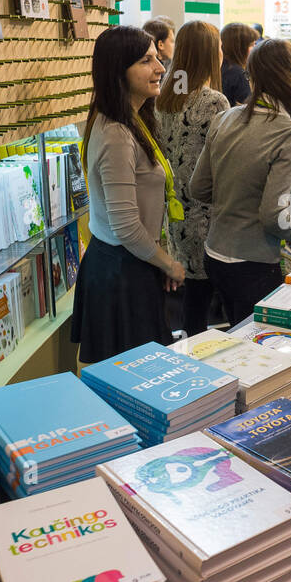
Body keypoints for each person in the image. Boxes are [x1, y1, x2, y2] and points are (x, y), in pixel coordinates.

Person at [72, 26, 185, 365]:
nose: (160, 68)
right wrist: (170, 264)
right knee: (131, 382)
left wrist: (158, 258)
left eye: (157, 58)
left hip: (135, 263)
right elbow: (125, 225)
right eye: (146, 61)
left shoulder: (134, 121)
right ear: (118, 70)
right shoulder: (116, 134)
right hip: (120, 273)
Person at [190, 39, 291, 326]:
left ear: (251, 74)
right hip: (254, 264)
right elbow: (272, 215)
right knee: (260, 351)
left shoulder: (224, 118)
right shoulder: (288, 133)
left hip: (214, 255)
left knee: (238, 339)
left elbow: (198, 188)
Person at [156, 20, 229, 337]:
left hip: (174, 211)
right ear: (210, 53)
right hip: (207, 213)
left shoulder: (162, 97)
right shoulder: (214, 101)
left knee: (192, 304)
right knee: (211, 298)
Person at [220, 22, 259, 106]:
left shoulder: (219, 66)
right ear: (240, 48)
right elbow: (247, 107)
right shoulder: (238, 74)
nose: (255, 48)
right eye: (252, 45)